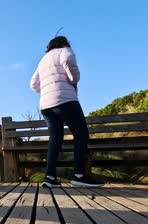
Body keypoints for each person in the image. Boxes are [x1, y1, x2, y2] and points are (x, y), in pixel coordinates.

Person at [31, 36, 103, 188]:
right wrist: (73, 79)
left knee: (55, 139)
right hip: (65, 100)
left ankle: (49, 177)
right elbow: (69, 62)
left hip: (45, 104)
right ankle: (79, 175)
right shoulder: (65, 50)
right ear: (64, 43)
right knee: (81, 134)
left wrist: (46, 91)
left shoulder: (43, 60)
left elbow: (33, 84)